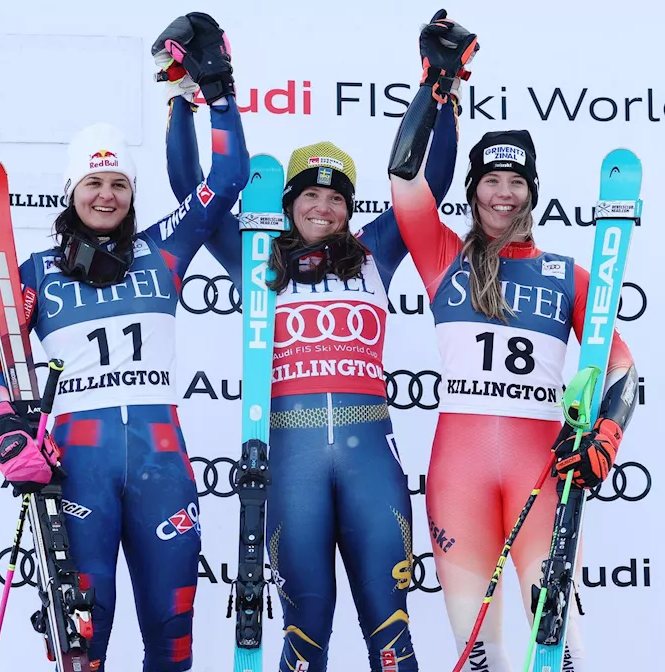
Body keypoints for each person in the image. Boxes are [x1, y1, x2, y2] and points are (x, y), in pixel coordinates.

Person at [166, 19, 468, 672]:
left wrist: (437, 92)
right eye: (311, 195)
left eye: (336, 198)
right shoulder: (253, 258)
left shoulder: (375, 253)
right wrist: (182, 104)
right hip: (292, 463)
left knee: (392, 635)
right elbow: (191, 189)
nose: (324, 208)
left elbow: (430, 184)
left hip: (371, 467)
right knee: (303, 640)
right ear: (289, 200)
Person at [0, 13, 248, 671]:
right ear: (72, 191)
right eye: (94, 182)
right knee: (79, 648)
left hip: (161, 468)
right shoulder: (34, 273)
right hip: (78, 475)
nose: (107, 194)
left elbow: (228, 178)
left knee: (172, 646)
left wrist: (217, 89)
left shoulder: (164, 250)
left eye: (119, 182)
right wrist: (7, 432)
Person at [387, 13, 640, 672]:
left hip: (541, 469)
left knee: (560, 646)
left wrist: (606, 438)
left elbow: (622, 369)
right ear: (473, 191)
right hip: (459, 474)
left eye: (516, 181)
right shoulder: (443, 258)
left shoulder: (565, 273)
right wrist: (434, 87)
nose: (504, 193)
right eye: (492, 181)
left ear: (532, 193)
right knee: (479, 654)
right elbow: (405, 181)